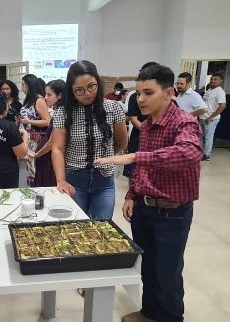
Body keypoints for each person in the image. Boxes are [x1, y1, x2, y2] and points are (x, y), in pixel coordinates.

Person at [95, 64, 203, 322]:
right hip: (145, 207)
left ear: (168, 93)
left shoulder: (184, 123)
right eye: (139, 93)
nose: (140, 99)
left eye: (148, 93)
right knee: (149, 268)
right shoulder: (148, 124)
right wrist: (132, 194)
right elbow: (143, 167)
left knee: (167, 272)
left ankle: (170, 317)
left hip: (171, 212)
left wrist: (133, 155)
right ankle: (150, 313)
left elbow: (189, 153)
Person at [51, 60, 127, 219]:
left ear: (98, 83)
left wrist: (107, 159)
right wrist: (61, 180)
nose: (87, 93)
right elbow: (58, 148)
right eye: (79, 90)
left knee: (102, 228)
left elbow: (121, 143)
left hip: (104, 181)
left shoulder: (113, 107)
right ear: (71, 91)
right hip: (74, 180)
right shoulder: (63, 112)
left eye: (91, 86)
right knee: (74, 227)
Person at [30, 79, 66, 187]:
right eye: (45, 94)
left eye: (49, 94)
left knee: (48, 185)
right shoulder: (57, 110)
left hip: (49, 156)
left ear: (59, 95)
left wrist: (37, 154)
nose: (45, 97)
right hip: (45, 155)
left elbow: (52, 142)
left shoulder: (61, 113)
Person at [19, 74, 51, 186]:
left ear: (29, 85)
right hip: (27, 139)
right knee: (29, 171)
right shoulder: (29, 99)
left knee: (34, 170)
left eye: (23, 84)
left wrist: (29, 122)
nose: (21, 87)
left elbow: (47, 121)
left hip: (36, 140)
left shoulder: (39, 99)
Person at [200, 72, 227, 161]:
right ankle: (202, 153)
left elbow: (222, 106)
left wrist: (211, 117)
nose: (213, 81)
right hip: (203, 117)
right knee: (202, 137)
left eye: (215, 79)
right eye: (212, 79)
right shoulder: (209, 90)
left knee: (208, 137)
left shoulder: (220, 91)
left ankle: (207, 155)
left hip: (211, 119)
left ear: (221, 81)